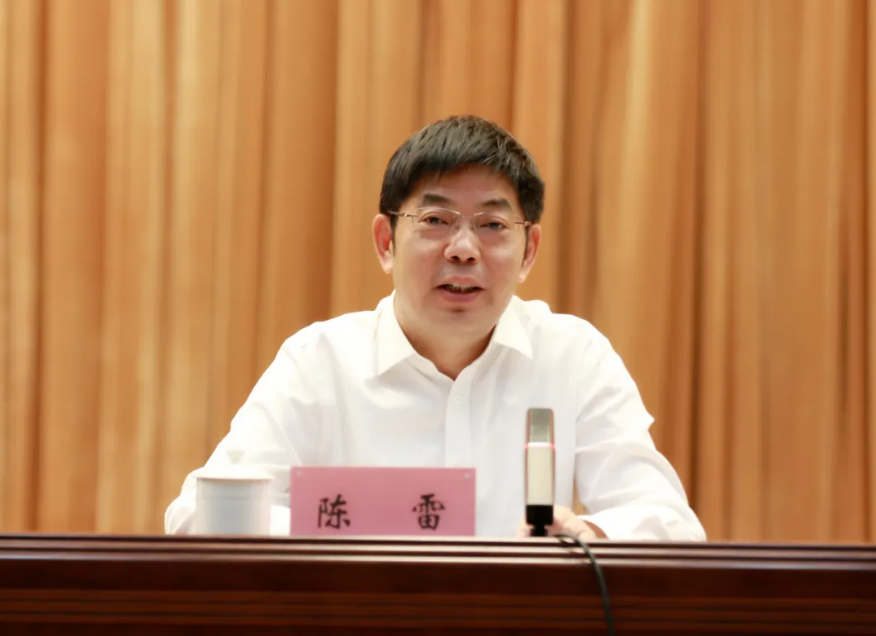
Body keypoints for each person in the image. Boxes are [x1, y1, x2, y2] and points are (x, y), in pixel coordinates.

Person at [164, 115, 706, 542]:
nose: (463, 249)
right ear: (386, 242)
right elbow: (195, 517)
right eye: (435, 221)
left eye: (493, 225)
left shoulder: (573, 357)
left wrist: (589, 534)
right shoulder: (319, 362)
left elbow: (669, 522)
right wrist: (351, 530)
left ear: (528, 251)